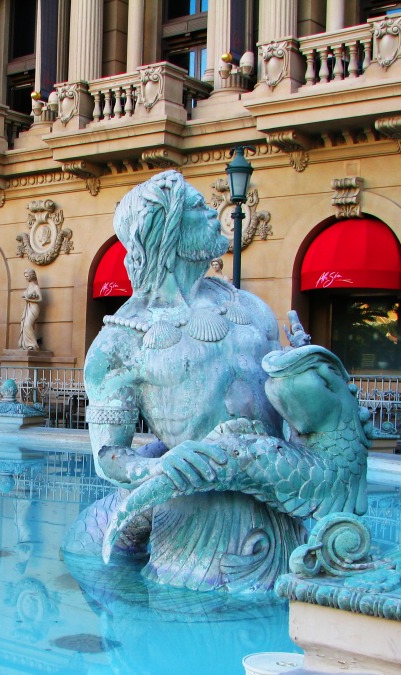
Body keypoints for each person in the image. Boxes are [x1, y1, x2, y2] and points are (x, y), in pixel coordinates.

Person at [81, 169, 303, 591]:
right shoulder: (120, 341)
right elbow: (109, 456)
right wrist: (160, 466)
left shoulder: (251, 306)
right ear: (166, 229)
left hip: (283, 522)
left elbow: (287, 408)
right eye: (198, 208)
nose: (212, 213)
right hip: (196, 548)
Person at [18, 268, 42, 351]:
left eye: (27, 276)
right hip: (28, 307)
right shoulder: (29, 286)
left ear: (32, 276)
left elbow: (40, 299)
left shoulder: (36, 286)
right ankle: (27, 345)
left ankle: (33, 345)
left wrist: (29, 300)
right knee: (24, 324)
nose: (26, 278)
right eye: (25, 276)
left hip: (34, 307)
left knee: (27, 324)